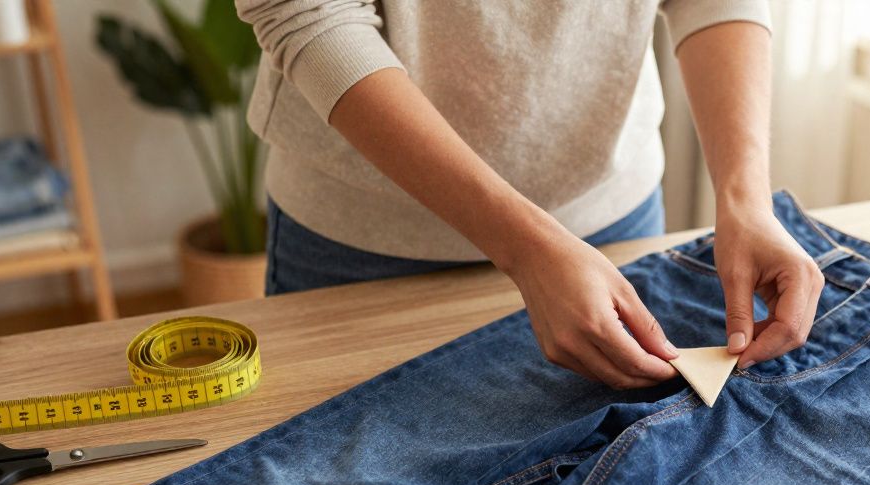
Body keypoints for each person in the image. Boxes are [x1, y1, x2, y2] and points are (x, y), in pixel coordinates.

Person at [238, 0, 824, 389]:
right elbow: (305, 11)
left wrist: (746, 199)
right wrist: (525, 246)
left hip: (614, 224)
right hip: (364, 248)